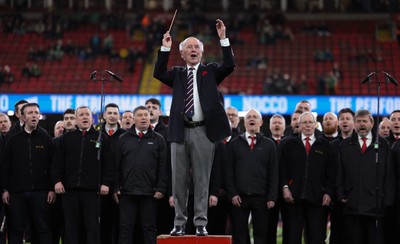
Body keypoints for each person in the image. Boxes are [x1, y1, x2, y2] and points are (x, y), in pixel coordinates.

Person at [153, 18, 236, 236]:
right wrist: (165, 48)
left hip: (203, 132)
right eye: (188, 47)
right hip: (180, 132)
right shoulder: (178, 74)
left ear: (202, 52)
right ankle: (179, 224)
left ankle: (200, 223)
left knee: (202, 180)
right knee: (179, 181)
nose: (193, 50)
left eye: (196, 47)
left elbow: (230, 65)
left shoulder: (211, 72)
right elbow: (158, 73)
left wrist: (223, 39)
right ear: (181, 54)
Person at [51, 106, 112, 244]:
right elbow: (57, 163)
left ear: (92, 119)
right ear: (76, 120)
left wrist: (106, 183)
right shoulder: (65, 139)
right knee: (70, 228)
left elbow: (108, 163)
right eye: (81, 115)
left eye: (87, 115)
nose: (84, 117)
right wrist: (57, 181)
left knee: (92, 229)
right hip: (69, 191)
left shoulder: (102, 138)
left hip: (92, 192)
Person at [337, 109, 395, 244]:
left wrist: (387, 200)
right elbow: (340, 172)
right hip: (352, 207)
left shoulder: (383, 144)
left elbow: (389, 175)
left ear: (372, 123)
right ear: (354, 124)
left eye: (364, 121)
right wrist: (340, 194)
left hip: (376, 207)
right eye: (358, 121)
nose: (361, 124)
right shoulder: (345, 145)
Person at [2, 103, 55, 244]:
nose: (34, 115)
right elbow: (6, 166)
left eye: (36, 113)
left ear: (39, 116)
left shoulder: (46, 138)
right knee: (16, 230)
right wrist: (5, 189)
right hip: (17, 192)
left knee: (43, 229)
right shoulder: (13, 139)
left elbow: (52, 166)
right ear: (23, 117)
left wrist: (51, 188)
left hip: (41, 192)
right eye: (30, 113)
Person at [113, 106, 168, 244]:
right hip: (127, 192)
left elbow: (163, 166)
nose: (144, 117)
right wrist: (115, 187)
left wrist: (161, 188)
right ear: (133, 118)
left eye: (146, 115)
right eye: (140, 115)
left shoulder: (158, 139)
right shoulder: (123, 139)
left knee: (149, 228)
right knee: (125, 228)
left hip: (150, 193)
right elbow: (116, 166)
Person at [279, 111, 334, 244]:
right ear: (299, 125)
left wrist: (328, 192)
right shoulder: (288, 144)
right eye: (304, 122)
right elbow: (282, 169)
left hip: (317, 200)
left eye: (310, 122)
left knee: (316, 238)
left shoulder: (325, 145)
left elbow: (331, 171)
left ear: (315, 124)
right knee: (292, 237)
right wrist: (285, 187)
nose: (308, 125)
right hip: (294, 199)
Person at [225, 109, 278, 244]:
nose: (251, 119)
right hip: (239, 198)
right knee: (239, 236)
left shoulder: (269, 144)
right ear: (244, 122)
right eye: (248, 117)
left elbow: (273, 172)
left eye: (255, 117)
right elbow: (228, 171)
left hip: (262, 198)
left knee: (261, 236)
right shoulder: (234, 144)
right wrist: (232, 194)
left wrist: (272, 196)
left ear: (261, 122)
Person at [144, 98, 173, 235]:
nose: (150, 109)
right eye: (148, 107)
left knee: (163, 224)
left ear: (160, 111)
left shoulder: (168, 131)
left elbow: (170, 162)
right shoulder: (137, 132)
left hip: (164, 187)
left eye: (154, 107)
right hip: (143, 187)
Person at [101, 103, 126, 244]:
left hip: (119, 187)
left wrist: (117, 186)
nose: (112, 116)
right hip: (101, 187)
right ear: (104, 115)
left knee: (119, 223)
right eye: (109, 113)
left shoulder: (124, 135)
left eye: (115, 113)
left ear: (119, 116)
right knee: (102, 223)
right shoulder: (97, 135)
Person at [329, 108, 355, 244]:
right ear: (338, 123)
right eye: (342, 119)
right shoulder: (332, 145)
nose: (345, 121)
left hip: (356, 199)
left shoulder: (360, 144)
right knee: (337, 233)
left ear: (354, 122)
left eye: (348, 119)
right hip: (336, 200)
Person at [267, 114, 286, 244]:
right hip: (268, 193)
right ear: (269, 126)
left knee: (291, 228)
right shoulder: (264, 143)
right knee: (269, 228)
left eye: (280, 123)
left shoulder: (290, 143)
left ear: (285, 127)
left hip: (288, 192)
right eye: (274, 123)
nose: (277, 125)